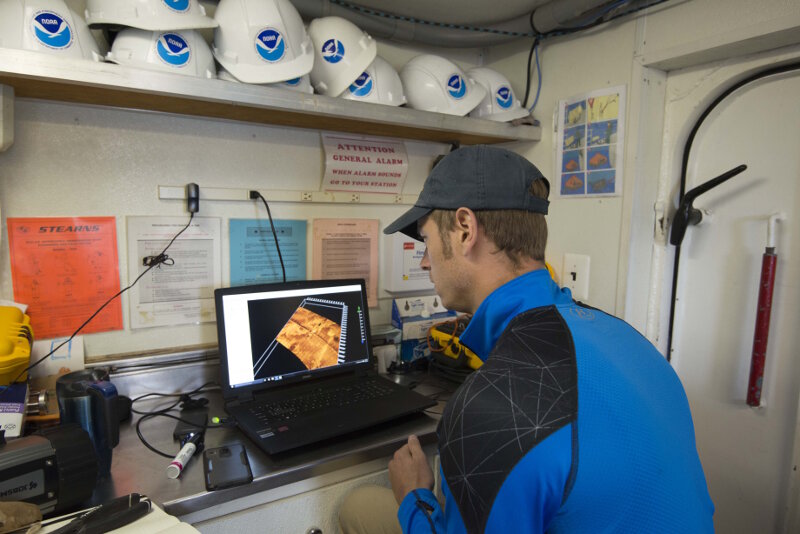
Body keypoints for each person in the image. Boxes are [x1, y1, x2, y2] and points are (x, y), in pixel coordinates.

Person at [339, 145, 714, 533]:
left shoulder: (491, 410)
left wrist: (415, 498)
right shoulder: (628, 337)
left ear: (465, 229)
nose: (424, 260)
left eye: (426, 239)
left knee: (358, 505)